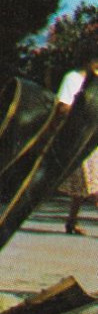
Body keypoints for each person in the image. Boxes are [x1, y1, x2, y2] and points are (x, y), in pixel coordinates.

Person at [57, 57, 98, 235]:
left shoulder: (94, 83)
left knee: (85, 185)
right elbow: (62, 107)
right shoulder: (73, 79)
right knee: (93, 184)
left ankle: (71, 221)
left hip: (93, 138)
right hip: (79, 139)